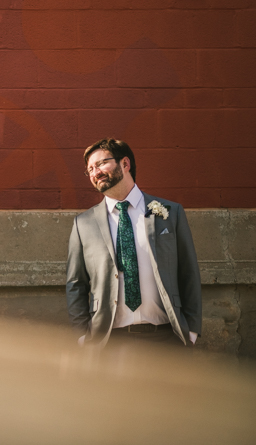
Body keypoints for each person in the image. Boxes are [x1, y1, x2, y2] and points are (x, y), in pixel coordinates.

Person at [66, 138, 202, 348]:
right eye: (90, 169)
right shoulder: (83, 224)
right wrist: (82, 334)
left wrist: (191, 329)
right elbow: (76, 283)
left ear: (125, 164)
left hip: (167, 338)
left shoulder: (170, 213)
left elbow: (188, 271)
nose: (95, 172)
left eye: (101, 164)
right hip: (109, 341)